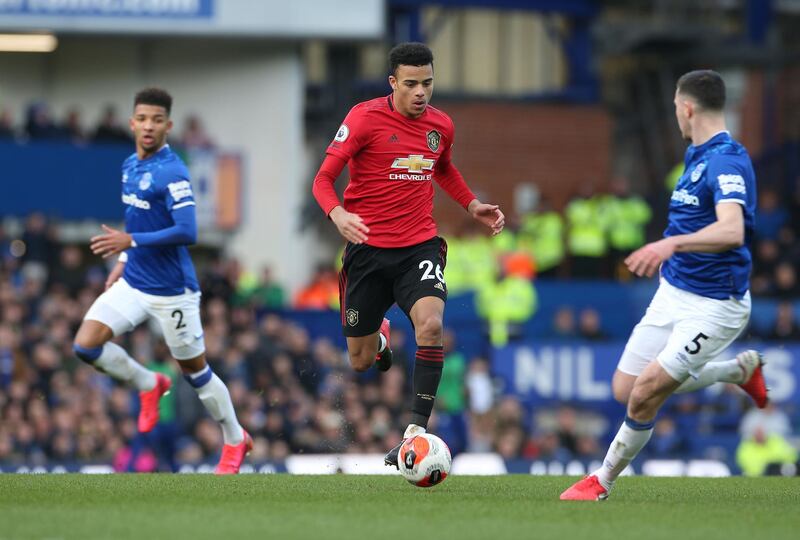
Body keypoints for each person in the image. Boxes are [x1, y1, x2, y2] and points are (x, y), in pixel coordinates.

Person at [561, 70, 767, 500]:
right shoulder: (695, 155)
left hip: (715, 306)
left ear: (688, 108)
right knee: (624, 388)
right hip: (674, 293)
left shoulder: (727, 160)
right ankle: (737, 371)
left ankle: (601, 481)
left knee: (645, 394)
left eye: (676, 107)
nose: (676, 114)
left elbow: (732, 231)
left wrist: (670, 243)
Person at [311, 42, 504, 468]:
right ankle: (379, 338)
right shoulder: (363, 118)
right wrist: (338, 213)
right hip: (365, 252)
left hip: (418, 245)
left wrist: (471, 204)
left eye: (428, 83)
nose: (421, 92)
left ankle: (415, 430)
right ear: (393, 83)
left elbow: (443, 167)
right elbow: (323, 179)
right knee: (361, 363)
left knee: (431, 324)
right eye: (412, 84)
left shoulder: (441, 126)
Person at [72, 88, 251, 474]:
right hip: (134, 281)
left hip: (173, 292)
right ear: (132, 123)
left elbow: (187, 230)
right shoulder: (128, 166)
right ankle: (148, 383)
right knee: (85, 346)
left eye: (157, 120)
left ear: (168, 126)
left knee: (196, 373)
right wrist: (124, 257)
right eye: (143, 119)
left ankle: (236, 439)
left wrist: (130, 242)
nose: (149, 126)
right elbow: (136, 219)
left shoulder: (173, 171)